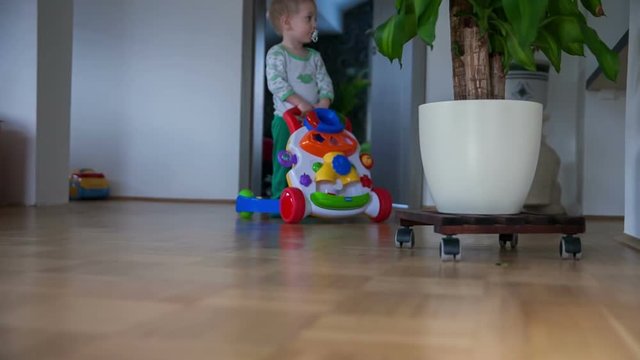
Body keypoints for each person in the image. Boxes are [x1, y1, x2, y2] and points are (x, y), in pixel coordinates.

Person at [266, 0, 334, 199]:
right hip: (286, 121)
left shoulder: (314, 57)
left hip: (313, 122)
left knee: (312, 159)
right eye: (308, 18)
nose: (314, 24)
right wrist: (299, 102)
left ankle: (310, 195)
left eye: (315, 19)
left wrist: (324, 103)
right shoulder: (277, 54)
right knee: (285, 158)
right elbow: (276, 82)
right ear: (287, 22)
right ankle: (280, 196)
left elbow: (325, 82)